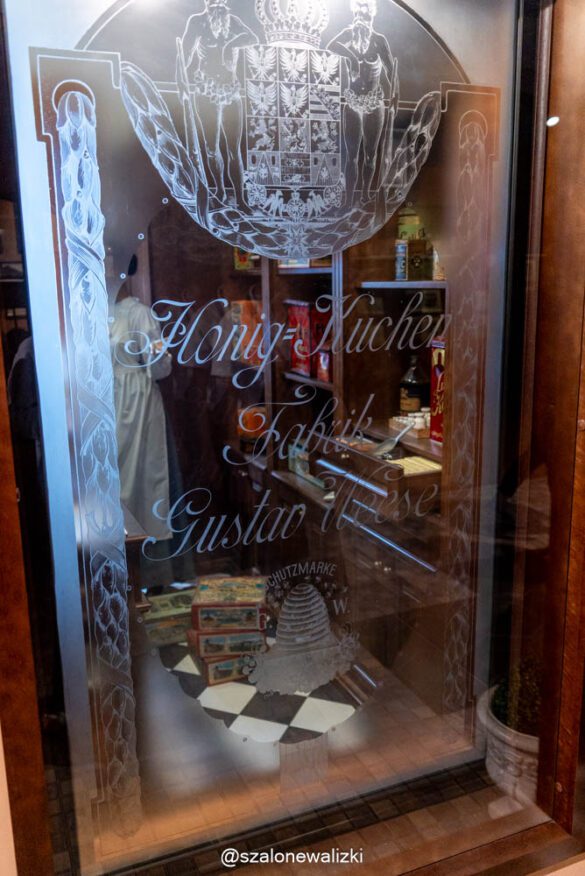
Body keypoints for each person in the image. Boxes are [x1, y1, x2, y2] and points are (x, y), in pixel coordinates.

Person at [110, 256, 172, 544]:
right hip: (109, 398)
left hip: (135, 400)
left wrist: (157, 359)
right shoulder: (97, 312)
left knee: (138, 473)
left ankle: (142, 544)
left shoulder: (140, 314)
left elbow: (159, 365)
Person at [179, 0, 258, 204]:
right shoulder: (197, 22)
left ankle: (240, 199)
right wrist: (181, 82)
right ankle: (221, 193)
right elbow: (185, 55)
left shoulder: (233, 21)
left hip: (230, 89)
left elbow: (253, 38)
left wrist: (230, 44)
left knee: (234, 150)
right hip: (207, 90)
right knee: (212, 148)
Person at [327, 0, 396, 205]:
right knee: (352, 156)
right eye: (357, 14)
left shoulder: (379, 41)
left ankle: (365, 194)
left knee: (370, 155)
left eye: (364, 15)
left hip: (374, 103)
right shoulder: (349, 34)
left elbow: (391, 71)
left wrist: (395, 95)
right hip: (353, 102)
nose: (360, 19)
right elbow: (331, 46)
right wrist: (352, 58)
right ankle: (349, 199)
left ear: (371, 17)